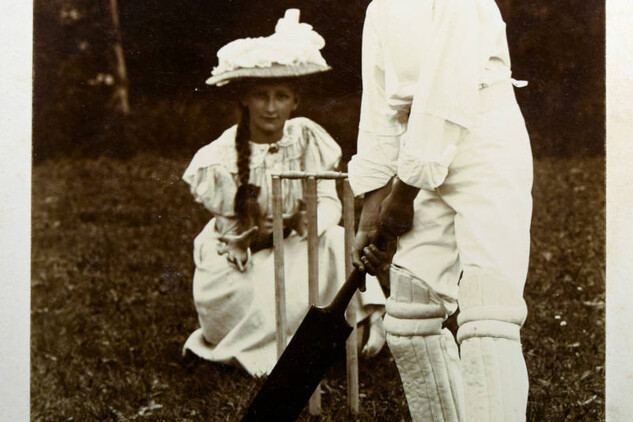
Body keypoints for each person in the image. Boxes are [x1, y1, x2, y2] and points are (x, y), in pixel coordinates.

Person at [349, 0, 533, 420]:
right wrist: (372, 204)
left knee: (489, 316)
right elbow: (378, 110)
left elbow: (448, 93)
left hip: (485, 142)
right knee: (409, 319)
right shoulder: (380, 7)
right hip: (417, 150)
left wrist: (402, 195)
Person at [182, 9, 386, 377]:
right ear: (245, 99)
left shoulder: (307, 137)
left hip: (297, 242)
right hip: (241, 254)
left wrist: (305, 222)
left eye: (281, 96)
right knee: (260, 290)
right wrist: (254, 236)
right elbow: (231, 230)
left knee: (337, 240)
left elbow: (327, 200)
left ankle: (351, 326)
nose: (271, 107)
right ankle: (278, 343)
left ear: (296, 101)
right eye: (261, 95)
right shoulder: (219, 158)